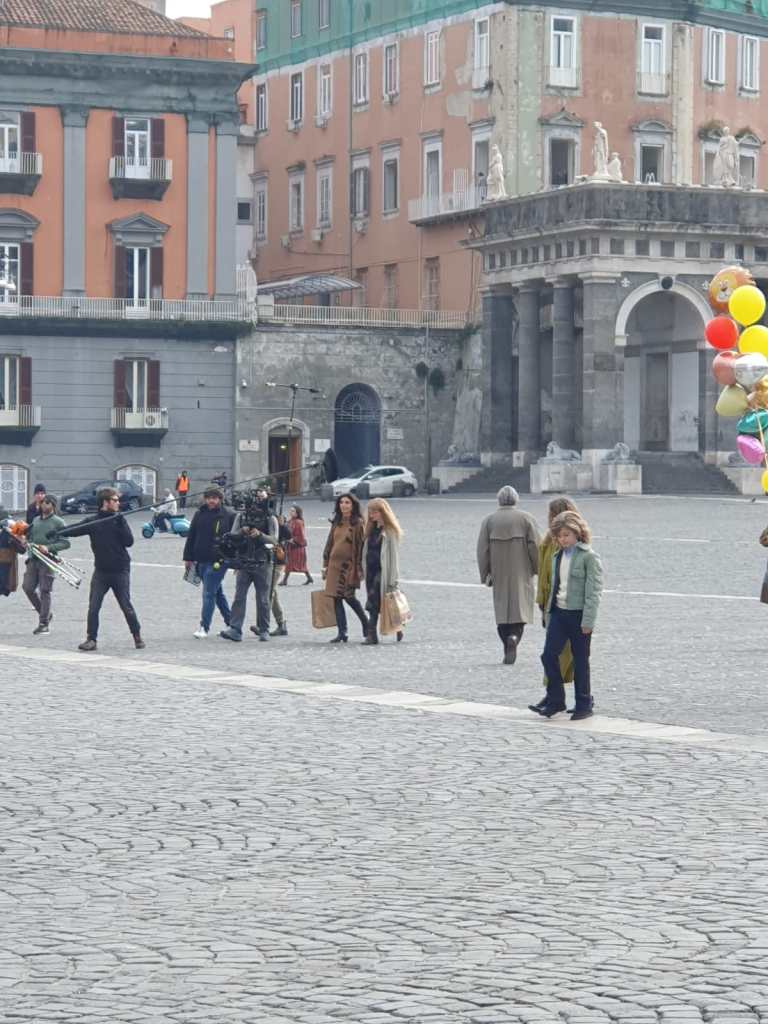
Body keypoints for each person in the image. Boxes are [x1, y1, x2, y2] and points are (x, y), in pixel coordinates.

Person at [532, 510, 603, 722]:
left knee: (581, 660)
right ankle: (556, 700)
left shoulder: (589, 557)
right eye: (559, 536)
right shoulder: (557, 556)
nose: (563, 539)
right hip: (559, 613)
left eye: (566, 535)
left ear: (577, 533)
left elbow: (593, 593)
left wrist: (588, 621)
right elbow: (556, 586)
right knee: (548, 655)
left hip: (579, 615)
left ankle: (584, 703)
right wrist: (549, 612)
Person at [57, 487, 144, 651]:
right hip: (101, 572)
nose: (118, 503)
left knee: (126, 606)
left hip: (120, 570)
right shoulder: (93, 521)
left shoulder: (119, 519)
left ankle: (137, 636)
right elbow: (75, 530)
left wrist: (121, 523)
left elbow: (129, 542)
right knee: (94, 607)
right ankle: (91, 639)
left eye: (118, 500)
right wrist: (57, 532)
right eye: (115, 500)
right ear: (105, 502)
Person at [476, 485, 540, 665]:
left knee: (502, 612)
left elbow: (482, 550)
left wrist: (485, 574)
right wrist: (538, 568)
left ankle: (507, 642)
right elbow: (535, 546)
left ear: (499, 500)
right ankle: (514, 638)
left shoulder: (489, 521)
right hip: (522, 571)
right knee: (520, 612)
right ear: (516, 499)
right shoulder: (526, 519)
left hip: (499, 572)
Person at [531, 497, 579, 712]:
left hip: (561, 603)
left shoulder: (564, 540)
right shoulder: (550, 538)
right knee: (554, 652)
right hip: (549, 601)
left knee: (561, 653)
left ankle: (559, 696)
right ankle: (553, 694)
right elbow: (543, 572)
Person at [220, 495, 278, 643]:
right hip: (244, 561)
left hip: (263, 562)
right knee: (239, 597)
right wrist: (241, 532)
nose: (254, 509)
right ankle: (235, 628)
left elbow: (274, 540)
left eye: (257, 505)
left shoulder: (270, 518)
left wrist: (260, 535)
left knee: (263, 598)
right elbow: (233, 535)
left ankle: (264, 629)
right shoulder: (241, 517)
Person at [183, 486, 234, 638]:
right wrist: (188, 557)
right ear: (205, 499)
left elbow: (235, 539)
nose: (211, 501)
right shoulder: (199, 514)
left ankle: (204, 627)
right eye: (209, 498)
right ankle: (232, 624)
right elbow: (191, 536)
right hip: (200, 560)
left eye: (214, 498)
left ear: (220, 499)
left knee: (208, 594)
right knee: (217, 593)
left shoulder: (228, 515)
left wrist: (233, 559)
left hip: (219, 561)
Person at [322, 493, 368, 644]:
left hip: (348, 566)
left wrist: (358, 568)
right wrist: (325, 563)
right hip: (334, 566)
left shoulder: (358, 523)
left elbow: (360, 547)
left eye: (347, 502)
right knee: (336, 598)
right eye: (341, 502)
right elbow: (330, 543)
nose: (344, 505)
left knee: (349, 597)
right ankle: (342, 632)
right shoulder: (337, 521)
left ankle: (366, 624)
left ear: (353, 505)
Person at [20, 495, 70, 635]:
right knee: (28, 587)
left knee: (45, 590)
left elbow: (65, 543)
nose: (44, 505)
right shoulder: (36, 520)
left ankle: (43, 623)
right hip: (33, 559)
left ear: (53, 505)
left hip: (48, 560)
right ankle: (46, 613)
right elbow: (30, 537)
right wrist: (26, 541)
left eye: (47, 503)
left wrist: (49, 547)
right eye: (42, 502)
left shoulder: (59, 522)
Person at [362, 498, 403, 645]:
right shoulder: (370, 530)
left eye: (375, 512)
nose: (371, 515)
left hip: (383, 571)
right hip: (370, 571)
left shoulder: (390, 532)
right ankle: (398, 627)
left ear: (383, 512)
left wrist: (393, 579)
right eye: (370, 512)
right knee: (381, 603)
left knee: (373, 601)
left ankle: (371, 635)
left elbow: (393, 556)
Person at [279, 505, 313, 586]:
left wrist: (293, 540)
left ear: (297, 513)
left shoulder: (298, 522)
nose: (291, 512)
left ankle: (285, 580)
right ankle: (309, 578)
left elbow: (300, 535)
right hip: (291, 546)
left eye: (293, 511)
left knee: (294, 563)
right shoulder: (290, 521)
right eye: (290, 510)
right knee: (292, 563)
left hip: (296, 546)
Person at [0, 506, 24, 597]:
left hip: (5, 565)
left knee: (3, 586)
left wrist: (13, 539)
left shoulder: (9, 531)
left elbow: (22, 549)